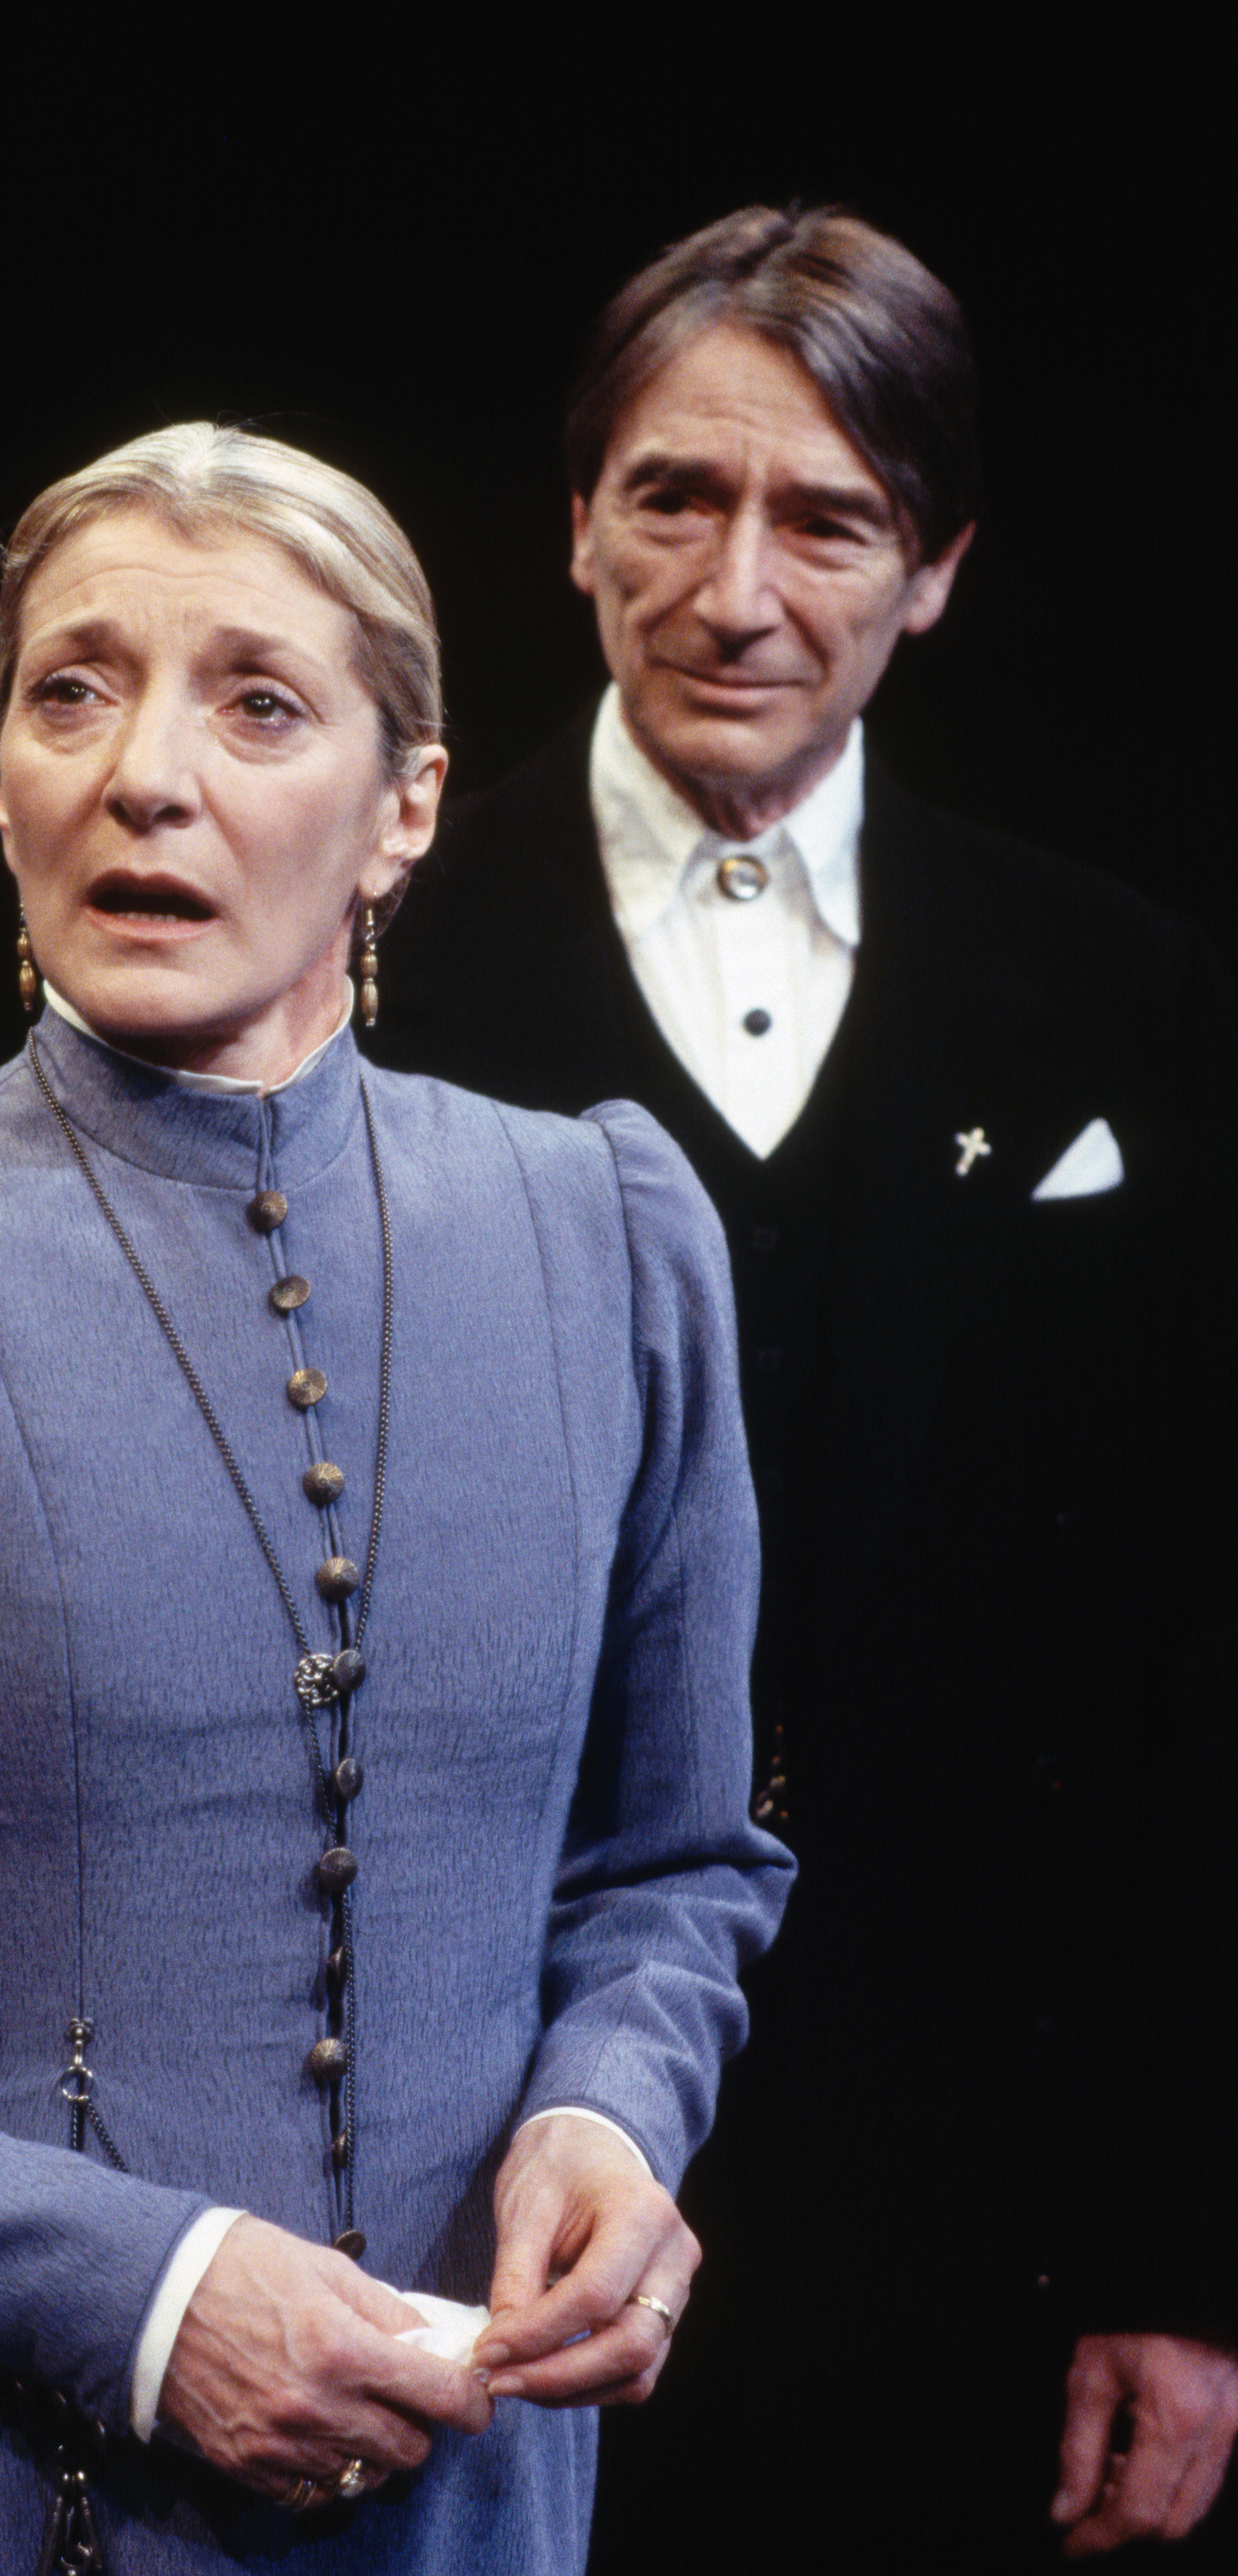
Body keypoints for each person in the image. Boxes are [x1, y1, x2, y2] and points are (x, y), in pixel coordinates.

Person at [0, 422, 793, 2574]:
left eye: (258, 701)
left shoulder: (613, 1232)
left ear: (406, 810)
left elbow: (679, 1858)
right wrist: (147, 2292)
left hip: (456, 2502)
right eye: (71, 689)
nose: (143, 772)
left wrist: (610, 2105)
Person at [369, 207, 1238, 2566]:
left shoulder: (1124, 991)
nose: (737, 589)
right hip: (462, 2181)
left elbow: (1204, 1646)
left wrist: (1181, 2248)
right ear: (572, 523)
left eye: (827, 518)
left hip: (980, 2203)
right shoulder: (367, 959)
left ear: (936, 567)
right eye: (672, 497)